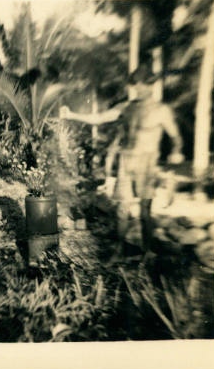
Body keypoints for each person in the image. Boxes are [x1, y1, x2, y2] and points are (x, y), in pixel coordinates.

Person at [60, 64, 184, 258]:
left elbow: (176, 137)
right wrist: (72, 115)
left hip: (148, 162)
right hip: (126, 160)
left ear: (150, 85)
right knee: (121, 209)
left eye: (142, 85)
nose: (138, 89)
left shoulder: (161, 110)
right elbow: (100, 118)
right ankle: (119, 250)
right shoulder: (126, 107)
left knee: (144, 211)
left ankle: (147, 251)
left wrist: (176, 152)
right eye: (135, 85)